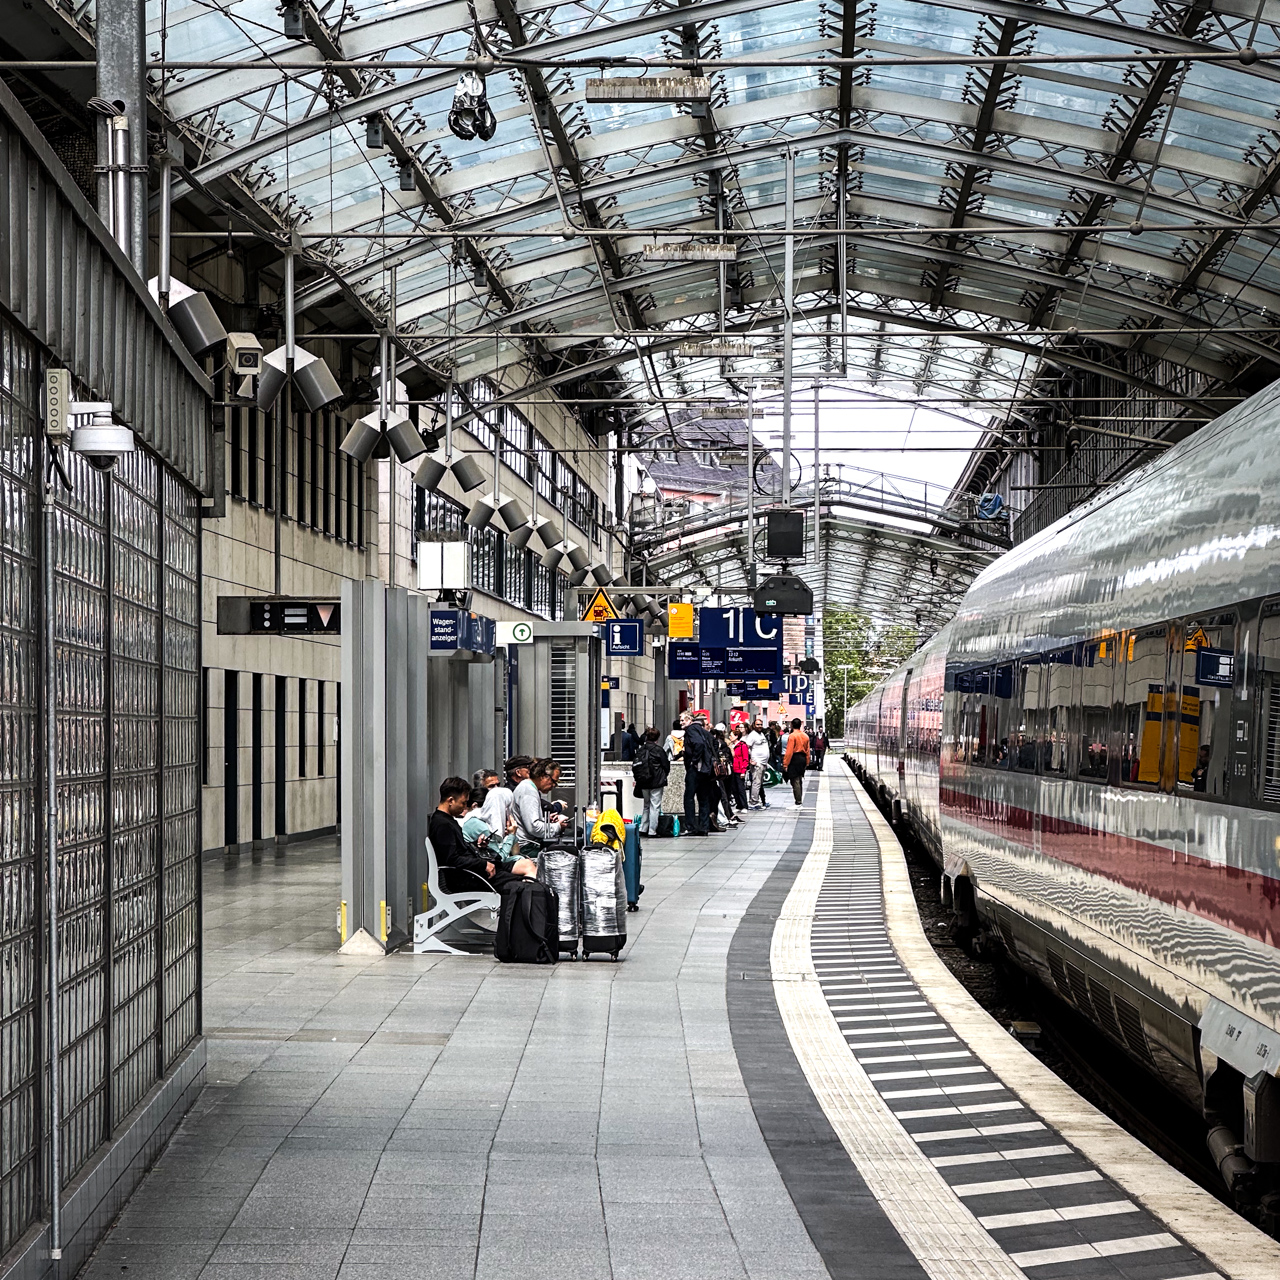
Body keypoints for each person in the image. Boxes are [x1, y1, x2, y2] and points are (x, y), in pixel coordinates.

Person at [428, 777, 535, 893]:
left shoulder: (445, 821)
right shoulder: (443, 825)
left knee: (524, 880)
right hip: (468, 878)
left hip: (472, 873)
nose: (465, 807)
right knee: (523, 885)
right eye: (463, 803)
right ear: (451, 801)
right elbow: (452, 859)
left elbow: (457, 851)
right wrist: (482, 864)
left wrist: (477, 846)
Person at [512, 757, 573, 851]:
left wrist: (547, 820)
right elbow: (534, 828)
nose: (554, 786)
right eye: (553, 781)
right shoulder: (528, 791)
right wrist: (558, 826)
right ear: (543, 776)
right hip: (527, 847)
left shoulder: (529, 788)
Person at [682, 712, 722, 835]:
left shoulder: (691, 730)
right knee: (703, 798)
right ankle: (704, 827)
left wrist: (694, 760)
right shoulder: (705, 732)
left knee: (689, 797)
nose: (681, 722)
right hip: (706, 771)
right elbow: (715, 743)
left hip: (696, 770)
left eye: (682, 720)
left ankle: (691, 826)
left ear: (690, 720)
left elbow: (698, 744)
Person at [462, 787, 520, 863]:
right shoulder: (482, 826)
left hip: (484, 861)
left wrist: (511, 833)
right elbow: (499, 859)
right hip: (474, 864)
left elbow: (515, 852)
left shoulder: (491, 822)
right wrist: (511, 836)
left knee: (520, 859)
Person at [480, 754, 532, 836]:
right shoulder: (512, 792)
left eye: (498, 784)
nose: (496, 789)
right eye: (492, 786)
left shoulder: (505, 794)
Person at [632, 728, 669, 835]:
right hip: (657, 781)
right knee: (655, 806)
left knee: (646, 805)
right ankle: (652, 831)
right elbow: (666, 765)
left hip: (643, 781)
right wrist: (663, 776)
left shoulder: (641, 750)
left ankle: (643, 828)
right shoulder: (658, 750)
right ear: (657, 738)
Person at [711, 724, 741, 828]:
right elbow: (731, 755)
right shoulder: (724, 743)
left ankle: (726, 817)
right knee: (723, 795)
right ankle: (727, 817)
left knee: (722, 795)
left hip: (718, 773)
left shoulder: (719, 744)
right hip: (724, 772)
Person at [662, 716, 687, 825]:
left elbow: (665, 750)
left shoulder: (670, 737)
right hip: (684, 760)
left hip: (672, 761)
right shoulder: (686, 736)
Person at [783, 717, 810, 808]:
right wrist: (807, 761)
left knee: (795, 780)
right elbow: (808, 751)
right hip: (802, 758)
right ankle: (799, 800)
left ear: (791, 725)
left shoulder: (792, 736)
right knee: (799, 779)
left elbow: (789, 751)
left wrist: (785, 764)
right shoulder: (805, 736)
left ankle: (798, 802)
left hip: (794, 758)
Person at [745, 717, 771, 809]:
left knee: (759, 783)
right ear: (754, 725)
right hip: (757, 763)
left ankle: (756, 800)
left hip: (763, 763)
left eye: (760, 724)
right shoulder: (752, 735)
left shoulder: (761, 734)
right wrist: (749, 759)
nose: (759, 726)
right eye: (757, 724)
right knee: (756, 783)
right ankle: (753, 802)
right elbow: (746, 747)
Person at [730, 726, 751, 813]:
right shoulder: (731, 746)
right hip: (732, 769)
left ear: (736, 736)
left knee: (741, 788)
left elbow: (745, 759)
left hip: (739, 769)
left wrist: (743, 771)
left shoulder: (742, 745)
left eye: (731, 735)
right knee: (734, 788)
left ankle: (744, 805)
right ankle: (739, 805)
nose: (730, 737)